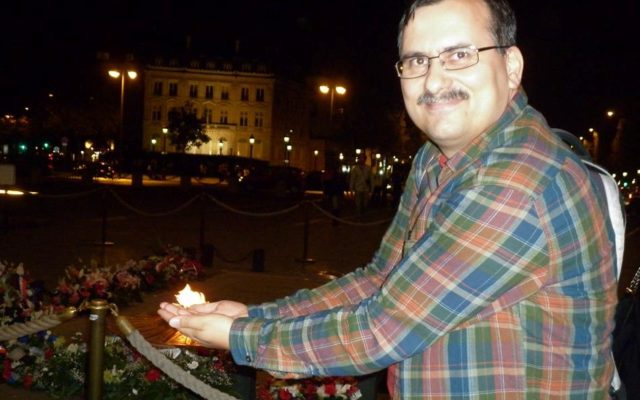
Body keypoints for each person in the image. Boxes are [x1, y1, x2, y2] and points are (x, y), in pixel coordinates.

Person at [158, 0, 618, 397]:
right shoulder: (435, 159)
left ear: (511, 66)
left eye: (459, 55)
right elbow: (382, 280)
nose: (433, 82)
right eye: (417, 61)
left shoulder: (521, 178)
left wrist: (243, 336)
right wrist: (258, 315)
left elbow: (383, 328)